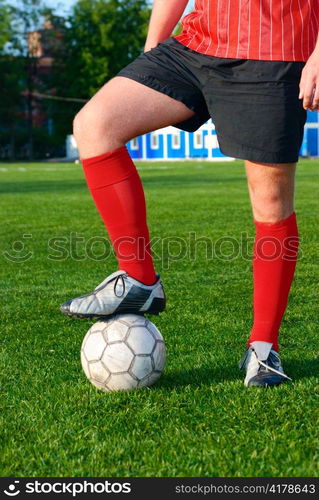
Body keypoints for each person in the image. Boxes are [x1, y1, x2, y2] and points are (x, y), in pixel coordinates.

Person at [60, 0, 319, 387]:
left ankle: (264, 348)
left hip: (273, 49)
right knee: (95, 125)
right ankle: (139, 278)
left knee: (270, 204)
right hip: (196, 43)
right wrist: (154, 48)